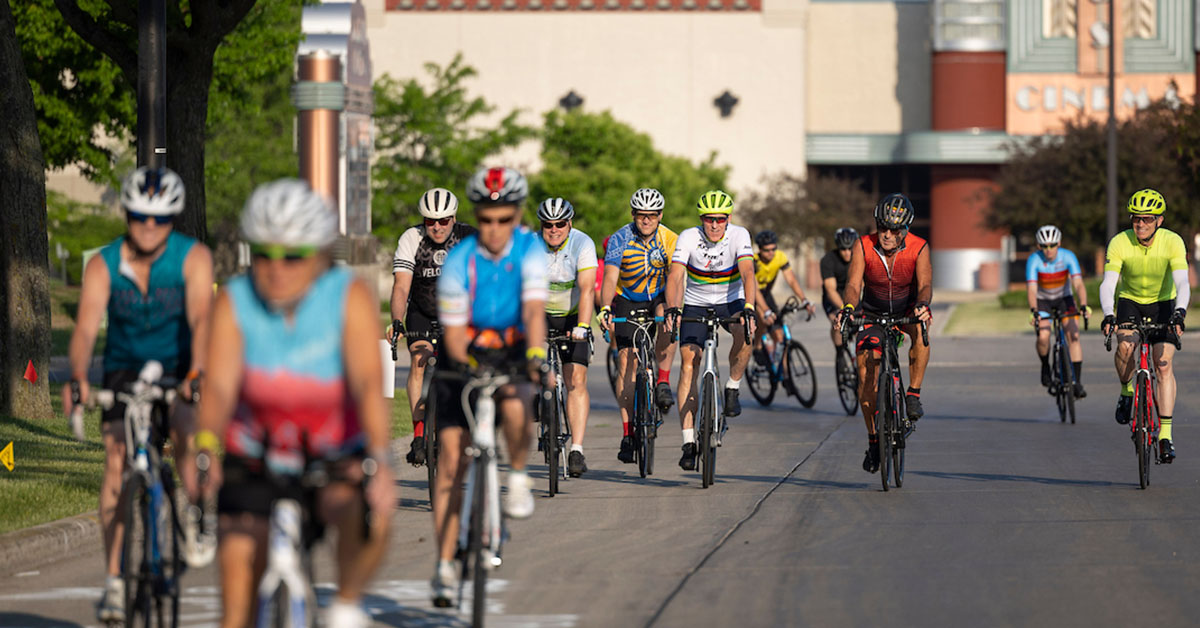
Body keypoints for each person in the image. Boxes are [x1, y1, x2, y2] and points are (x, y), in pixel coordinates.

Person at [190, 179, 395, 628]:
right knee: (238, 590)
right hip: (255, 453)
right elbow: (220, 387)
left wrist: (379, 458)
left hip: (333, 451)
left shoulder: (348, 296)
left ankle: (344, 603)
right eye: (264, 254)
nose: (276, 268)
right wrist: (205, 446)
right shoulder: (235, 301)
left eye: (293, 255)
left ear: (320, 256)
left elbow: (366, 382)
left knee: (371, 517)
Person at [60, 167, 212, 624]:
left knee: (185, 434)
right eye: (140, 216)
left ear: (173, 220)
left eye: (161, 219)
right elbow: (86, 329)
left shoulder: (192, 257)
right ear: (127, 215)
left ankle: (190, 510)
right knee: (116, 462)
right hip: (124, 369)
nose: (149, 226)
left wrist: (197, 372)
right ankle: (113, 580)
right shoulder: (103, 264)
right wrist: (80, 378)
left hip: (178, 366)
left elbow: (202, 317)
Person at [430, 166, 548, 606]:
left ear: (517, 216)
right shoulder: (459, 261)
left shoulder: (531, 250)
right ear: (476, 218)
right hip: (465, 353)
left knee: (518, 403)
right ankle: (444, 565)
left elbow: (535, 312)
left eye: (505, 219)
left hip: (514, 348)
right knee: (450, 463)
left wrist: (535, 357)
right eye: (486, 219)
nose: (495, 229)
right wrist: (470, 366)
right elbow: (455, 335)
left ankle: (517, 477)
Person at [839, 193, 933, 475]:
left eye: (894, 230)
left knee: (922, 329)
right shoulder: (863, 245)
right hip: (871, 313)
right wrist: (847, 308)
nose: (888, 235)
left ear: (906, 229)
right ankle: (873, 439)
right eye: (882, 228)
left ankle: (913, 393)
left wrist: (923, 305)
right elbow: (853, 284)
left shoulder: (919, 247)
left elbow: (925, 284)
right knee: (866, 382)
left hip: (907, 310)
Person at [664, 190, 759, 471]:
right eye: (708, 219)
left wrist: (750, 306)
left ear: (728, 218)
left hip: (730, 302)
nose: (714, 225)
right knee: (689, 364)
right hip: (695, 303)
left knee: (746, 331)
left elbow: (748, 273)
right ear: (701, 219)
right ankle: (688, 442)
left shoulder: (739, 235)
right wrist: (672, 307)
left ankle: (732, 387)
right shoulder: (689, 237)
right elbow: (676, 275)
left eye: (719, 219)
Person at [1100, 188, 1189, 463]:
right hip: (1130, 302)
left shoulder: (1173, 242)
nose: (1140, 224)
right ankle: (1127, 391)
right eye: (1136, 218)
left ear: (1159, 221)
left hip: (1163, 304)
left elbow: (1183, 282)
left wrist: (1180, 312)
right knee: (1125, 347)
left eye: (1147, 219)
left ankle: (1165, 435)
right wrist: (1108, 314)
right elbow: (1108, 283)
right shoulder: (1120, 242)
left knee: (1162, 364)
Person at [390, 187, 476, 467]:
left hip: (459, 314)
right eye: (430, 221)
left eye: (443, 220)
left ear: (454, 218)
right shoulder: (411, 238)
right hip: (422, 312)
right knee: (419, 360)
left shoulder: (469, 237)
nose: (437, 227)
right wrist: (396, 319)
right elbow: (402, 286)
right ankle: (418, 434)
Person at [598, 188, 679, 465]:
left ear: (660, 215)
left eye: (652, 216)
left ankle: (663, 380)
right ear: (633, 214)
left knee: (668, 322)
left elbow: (675, 278)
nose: (646, 220)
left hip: (658, 296)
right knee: (626, 363)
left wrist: (673, 309)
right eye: (641, 215)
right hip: (627, 299)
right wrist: (605, 307)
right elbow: (610, 276)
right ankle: (628, 432)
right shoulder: (620, 238)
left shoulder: (670, 239)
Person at [536, 197, 598, 477]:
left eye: (560, 224)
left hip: (573, 315)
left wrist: (583, 326)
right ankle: (540, 403)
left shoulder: (582, 243)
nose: (554, 229)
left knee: (576, 379)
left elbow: (586, 289)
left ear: (569, 224)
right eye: (548, 225)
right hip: (539, 314)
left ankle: (577, 449)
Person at [1025, 224, 1091, 396]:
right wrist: (1034, 310)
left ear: (1059, 243)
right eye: (1044, 246)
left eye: (1052, 245)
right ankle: (1045, 366)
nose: (1049, 250)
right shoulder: (1034, 260)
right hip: (1043, 300)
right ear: (1039, 246)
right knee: (1044, 336)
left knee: (1073, 336)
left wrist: (1083, 305)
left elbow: (1078, 284)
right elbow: (1032, 289)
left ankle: (1076, 382)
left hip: (1064, 299)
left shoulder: (1068, 257)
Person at [752, 230, 815, 361]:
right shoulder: (754, 261)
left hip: (766, 293)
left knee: (780, 336)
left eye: (773, 249)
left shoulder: (779, 257)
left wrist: (804, 300)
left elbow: (791, 280)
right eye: (766, 250)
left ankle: (784, 375)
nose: (771, 253)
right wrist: (766, 311)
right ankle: (757, 345)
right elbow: (755, 290)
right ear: (760, 249)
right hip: (752, 294)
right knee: (763, 319)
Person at [821, 228, 858, 362]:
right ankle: (840, 354)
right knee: (838, 321)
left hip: (852, 294)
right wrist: (844, 309)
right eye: (843, 249)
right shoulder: (828, 260)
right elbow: (830, 289)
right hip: (833, 297)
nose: (847, 253)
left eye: (850, 249)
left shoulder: (859, 258)